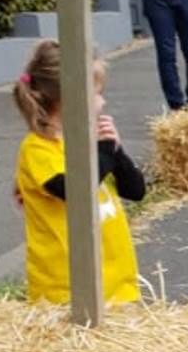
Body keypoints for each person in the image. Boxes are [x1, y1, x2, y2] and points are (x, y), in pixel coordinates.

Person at [12, 39, 143, 311]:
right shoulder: (37, 148)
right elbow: (74, 190)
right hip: (67, 287)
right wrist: (103, 150)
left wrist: (116, 152)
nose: (103, 101)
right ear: (72, 98)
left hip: (115, 278)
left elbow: (136, 190)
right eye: (97, 94)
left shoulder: (87, 140)